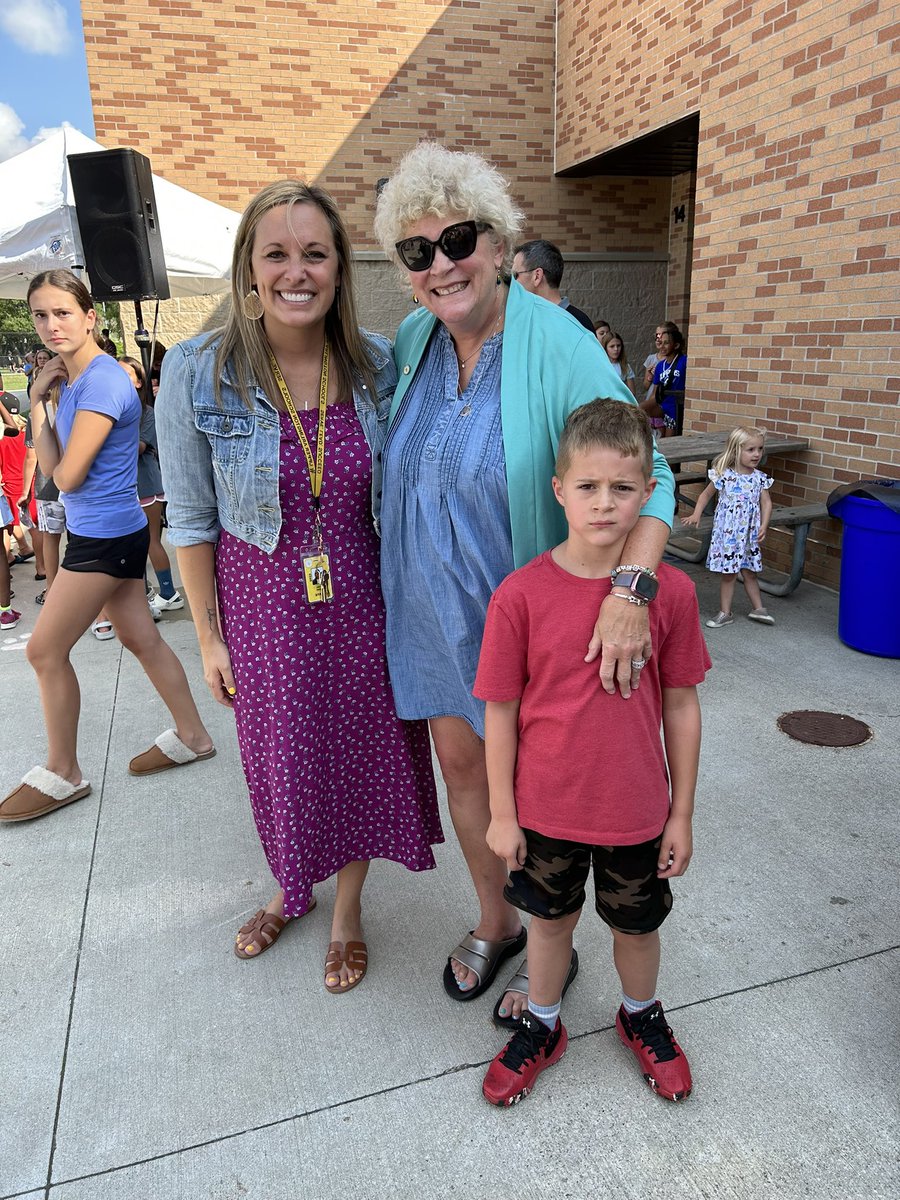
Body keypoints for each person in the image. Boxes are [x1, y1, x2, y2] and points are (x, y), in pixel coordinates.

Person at [373, 141, 676, 1019]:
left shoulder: (559, 343)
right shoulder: (416, 339)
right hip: (431, 611)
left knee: (542, 796)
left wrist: (630, 593)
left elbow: (647, 476)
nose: (442, 263)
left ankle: (551, 951)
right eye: (418, 251)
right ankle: (496, 920)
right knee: (466, 775)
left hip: (535, 623)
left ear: (502, 245)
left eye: (459, 238)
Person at [155, 181, 441, 990]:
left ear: (340, 268)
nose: (296, 271)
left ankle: (345, 910)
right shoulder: (196, 371)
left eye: (315, 253)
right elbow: (189, 519)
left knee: (358, 753)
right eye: (276, 254)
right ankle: (292, 889)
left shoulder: (380, 362)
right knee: (280, 760)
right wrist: (208, 636)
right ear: (249, 269)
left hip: (362, 598)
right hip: (261, 607)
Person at [474, 399, 709, 1106]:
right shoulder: (519, 596)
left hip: (637, 810)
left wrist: (683, 815)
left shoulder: (671, 595)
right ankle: (543, 1025)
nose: (605, 504)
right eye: (588, 487)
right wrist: (502, 814)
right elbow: (501, 709)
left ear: (648, 491)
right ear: (558, 489)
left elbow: (681, 705)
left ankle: (640, 1014)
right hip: (545, 811)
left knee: (637, 927)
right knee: (549, 925)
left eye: (623, 488)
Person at [0, 270, 215, 825]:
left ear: (90, 316)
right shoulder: (71, 382)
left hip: (104, 537)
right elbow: (55, 468)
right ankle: (193, 736)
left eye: (63, 313)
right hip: (105, 530)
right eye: (41, 315)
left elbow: (64, 477)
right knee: (141, 637)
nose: (51, 326)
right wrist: (40, 402)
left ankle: (64, 771)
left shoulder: (100, 382)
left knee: (43, 651)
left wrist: (41, 408)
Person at [682, 425, 775, 627]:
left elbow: (766, 503)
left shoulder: (759, 479)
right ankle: (725, 613)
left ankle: (759, 609)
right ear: (736, 450)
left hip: (749, 536)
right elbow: (706, 494)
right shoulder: (724, 475)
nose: (757, 454)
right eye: (751, 449)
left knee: (750, 572)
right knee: (729, 574)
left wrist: (764, 525)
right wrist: (696, 513)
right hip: (728, 534)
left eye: (760, 449)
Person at [116, 355, 183, 619]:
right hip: (126, 486)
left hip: (145, 483)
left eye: (127, 375)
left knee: (149, 541)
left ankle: (167, 593)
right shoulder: (115, 410)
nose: (120, 380)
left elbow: (139, 447)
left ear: (139, 381)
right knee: (134, 544)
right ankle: (146, 595)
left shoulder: (146, 412)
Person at [511, 239, 594, 330]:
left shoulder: (579, 325)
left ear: (537, 276)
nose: (512, 282)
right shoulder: (527, 321)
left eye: (515, 275)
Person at [641, 321, 686, 436]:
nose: (662, 346)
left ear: (676, 345)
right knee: (637, 412)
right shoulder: (660, 365)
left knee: (669, 442)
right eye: (660, 343)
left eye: (666, 343)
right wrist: (641, 407)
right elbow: (655, 395)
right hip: (662, 407)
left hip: (675, 409)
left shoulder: (684, 361)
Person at [600, 330, 637, 398]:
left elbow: (632, 393)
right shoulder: (601, 366)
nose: (616, 349)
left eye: (618, 345)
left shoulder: (625, 366)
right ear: (605, 348)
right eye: (612, 346)